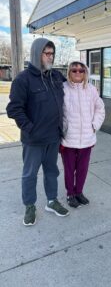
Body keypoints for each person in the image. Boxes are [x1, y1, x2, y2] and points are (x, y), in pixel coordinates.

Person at [6, 38, 69, 226]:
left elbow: (74, 86)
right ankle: (30, 206)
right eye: (46, 53)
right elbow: (14, 109)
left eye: (52, 53)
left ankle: (51, 201)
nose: (50, 57)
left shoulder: (56, 76)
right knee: (30, 174)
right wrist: (30, 128)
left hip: (53, 137)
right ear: (36, 54)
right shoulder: (23, 79)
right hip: (33, 140)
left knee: (52, 171)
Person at [60, 61, 105, 208]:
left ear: (85, 73)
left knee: (82, 169)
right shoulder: (63, 89)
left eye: (81, 70)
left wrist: (94, 125)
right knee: (69, 169)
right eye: (74, 70)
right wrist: (63, 129)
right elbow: (57, 111)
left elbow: (100, 109)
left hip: (87, 138)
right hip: (68, 140)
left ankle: (78, 192)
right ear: (69, 72)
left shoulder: (91, 89)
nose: (78, 73)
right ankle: (70, 194)